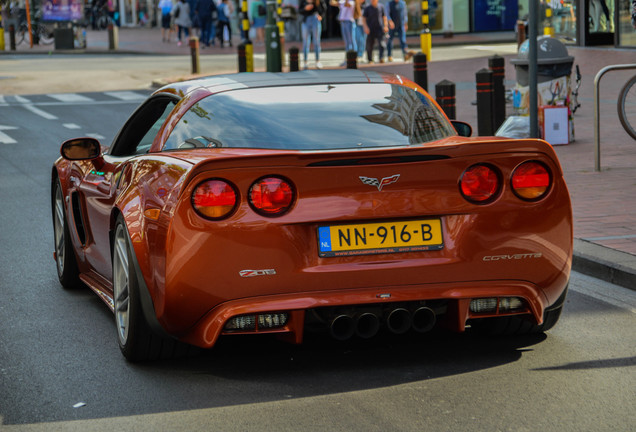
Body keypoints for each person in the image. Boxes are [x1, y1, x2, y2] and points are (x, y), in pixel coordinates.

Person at [299, 0, 325, 69]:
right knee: (305, 42)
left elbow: (324, 8)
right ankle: (305, 62)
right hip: (306, 21)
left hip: (315, 20)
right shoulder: (303, 1)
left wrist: (321, 16)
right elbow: (299, 10)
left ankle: (317, 61)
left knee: (316, 41)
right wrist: (305, 9)